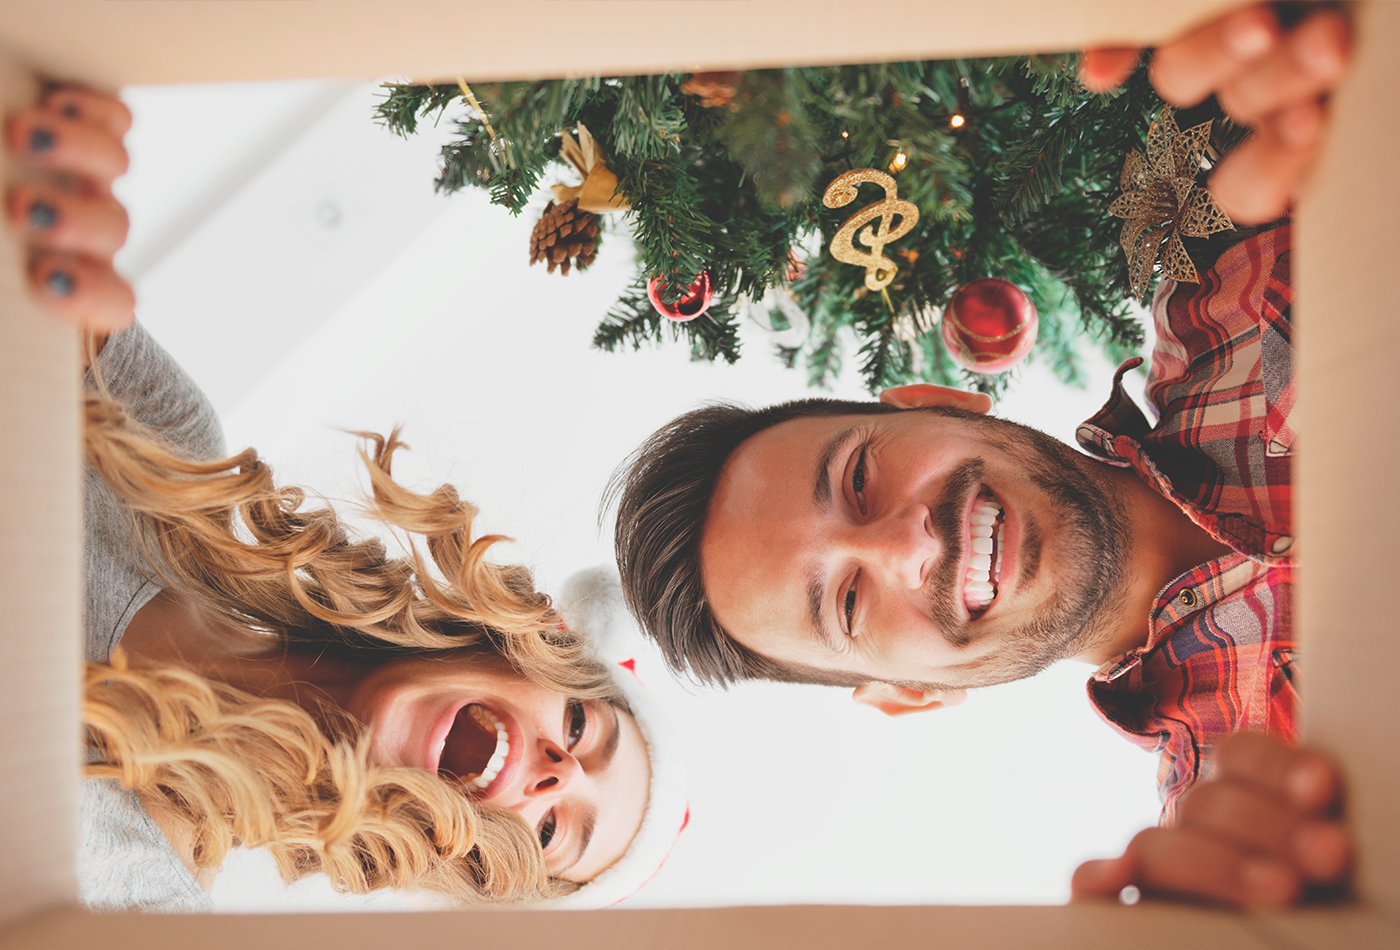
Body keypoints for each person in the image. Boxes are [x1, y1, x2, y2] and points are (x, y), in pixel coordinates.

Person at [609, 3, 1352, 907]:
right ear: (908, 696)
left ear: (938, 399)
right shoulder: (1249, 859)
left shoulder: (1233, 261)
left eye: (858, 478)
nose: (908, 545)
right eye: (847, 601)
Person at [4, 87, 685, 911]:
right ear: (526, 646)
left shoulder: (142, 906)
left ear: (462, 859)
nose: (562, 772)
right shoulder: (170, 446)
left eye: (552, 832)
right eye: (582, 727)